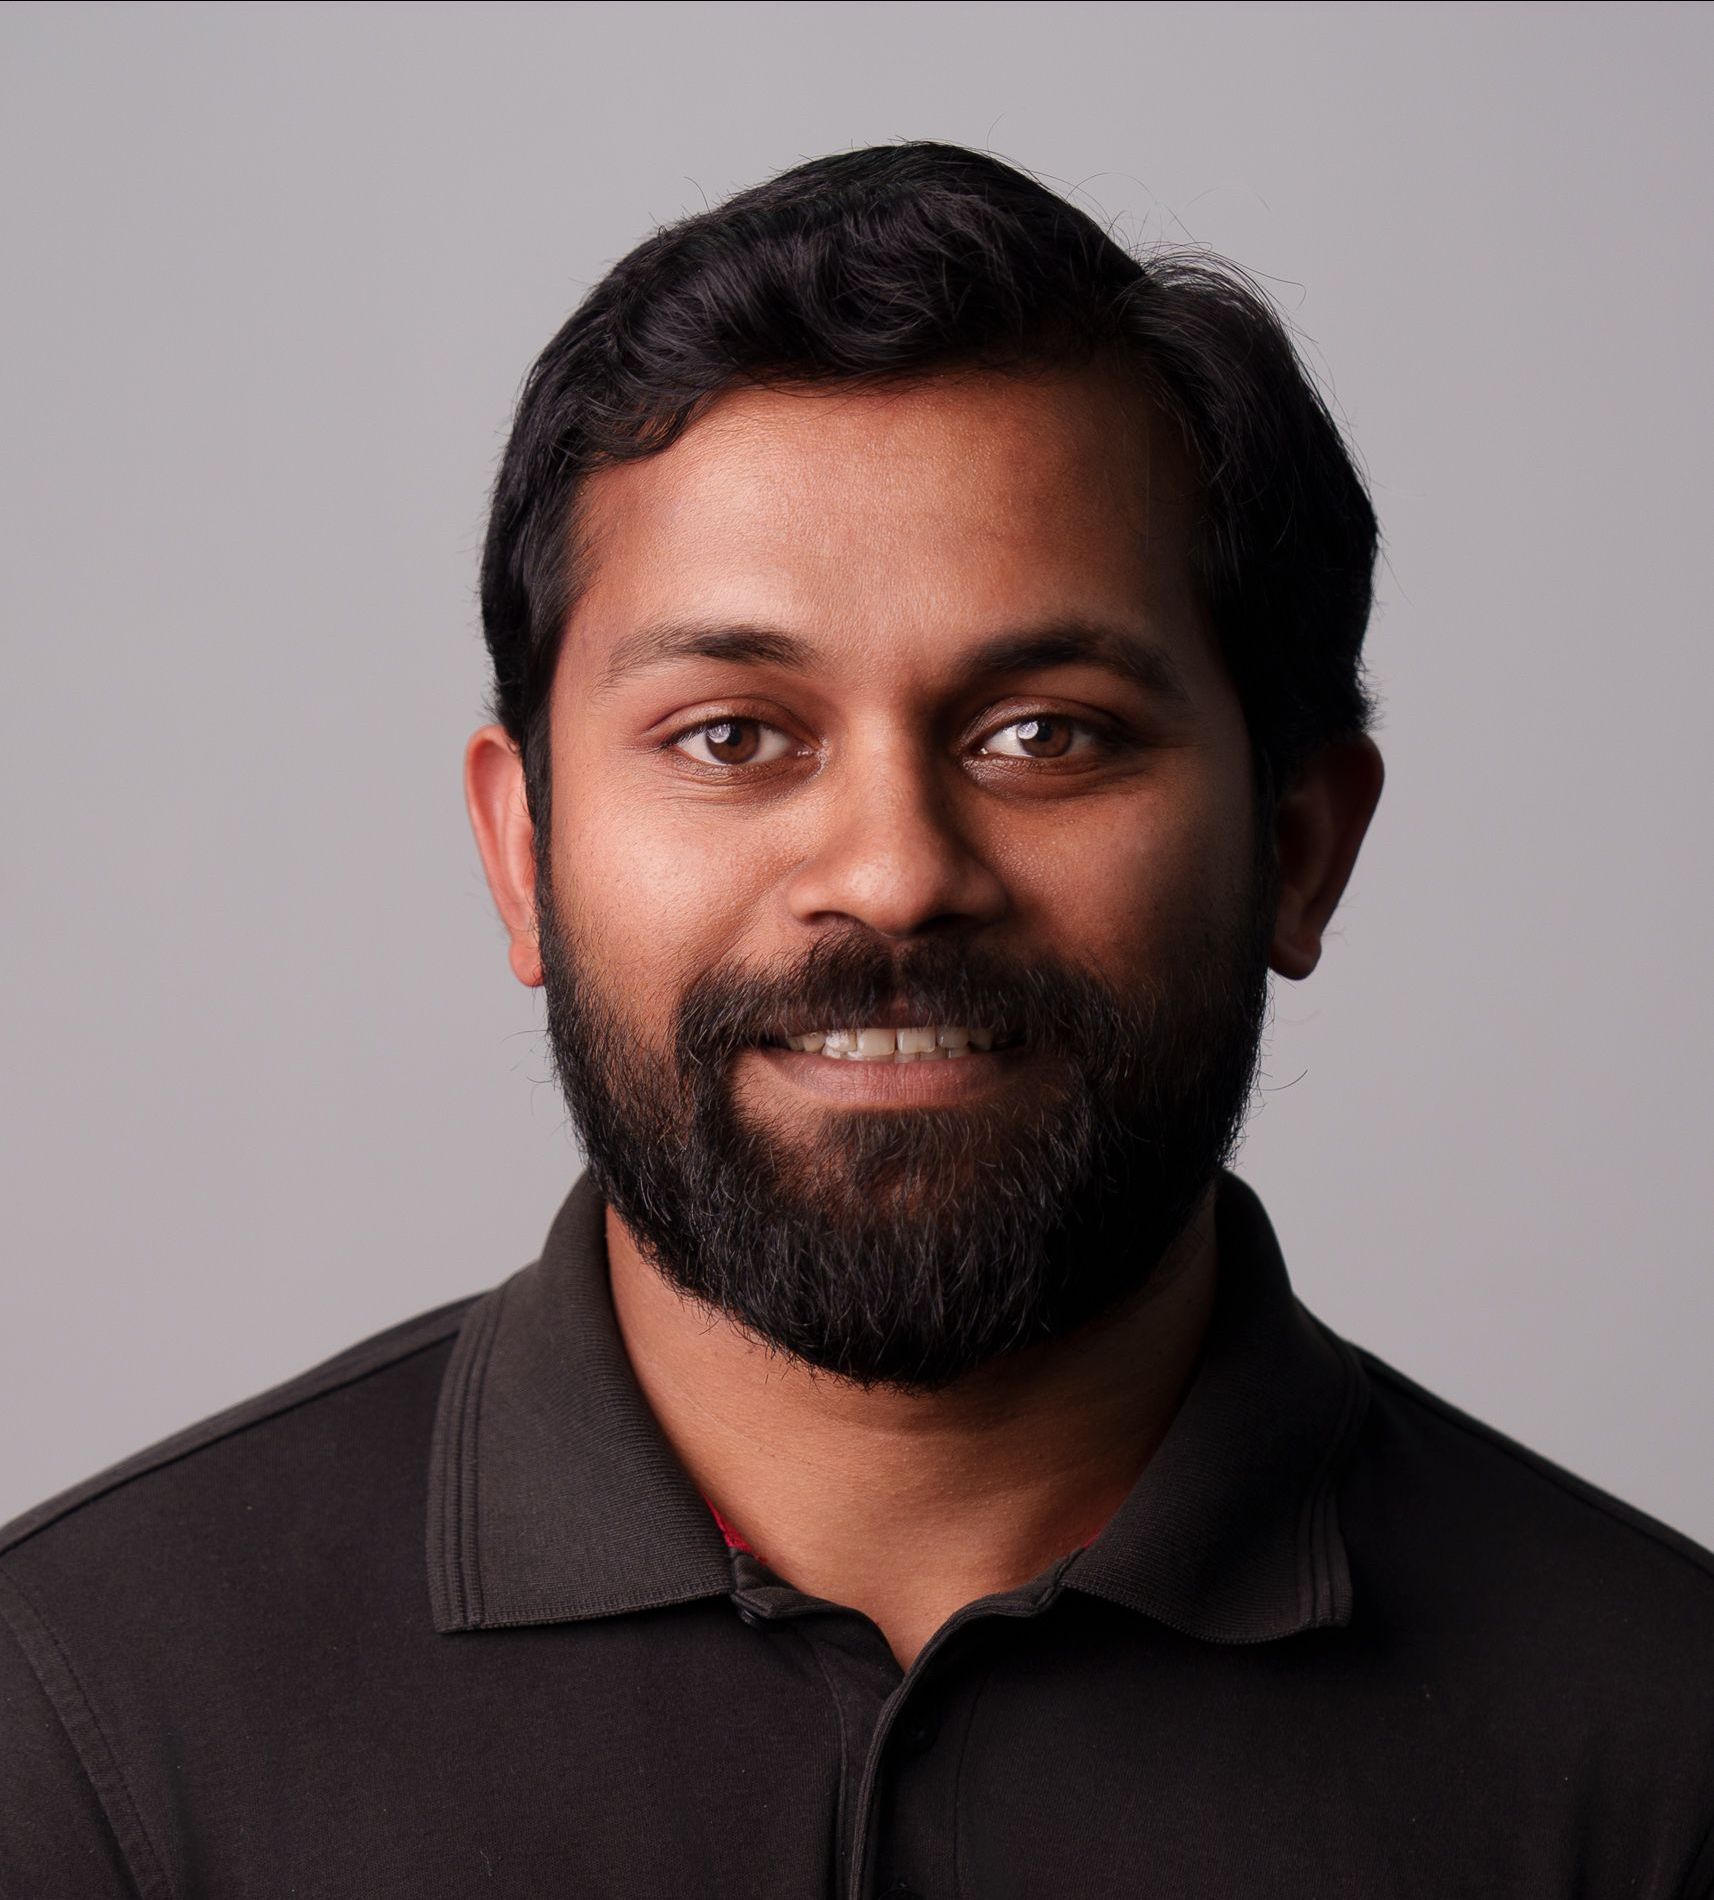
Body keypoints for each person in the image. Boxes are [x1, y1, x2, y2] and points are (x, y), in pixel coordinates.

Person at [2, 141, 1710, 1899]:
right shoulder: (74, 1724)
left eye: (1046, 732)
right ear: (526, 853)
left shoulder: (1666, 1754)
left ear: (1296, 849)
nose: (893, 877)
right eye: (733, 735)